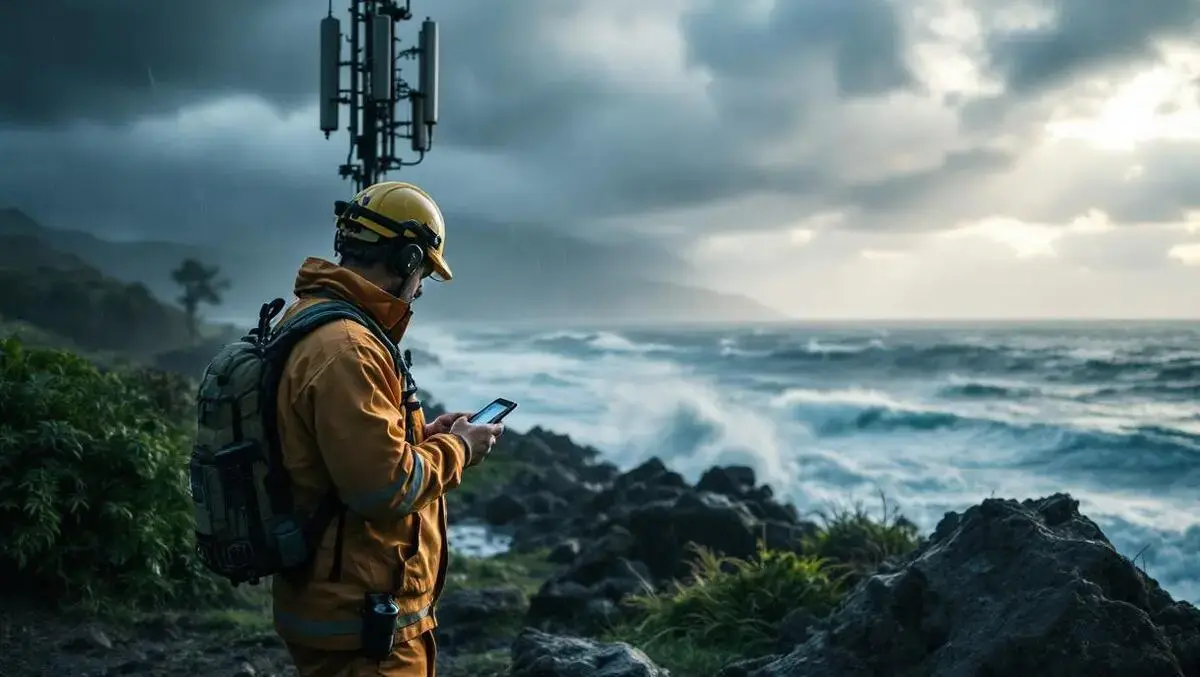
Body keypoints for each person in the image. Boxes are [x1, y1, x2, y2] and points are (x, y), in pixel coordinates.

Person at [269, 181, 504, 676]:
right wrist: (459, 448)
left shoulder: (317, 323)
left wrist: (428, 439)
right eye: (422, 273)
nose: (420, 289)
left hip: (347, 609)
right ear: (406, 259)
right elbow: (385, 488)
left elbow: (344, 457)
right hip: (363, 625)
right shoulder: (349, 348)